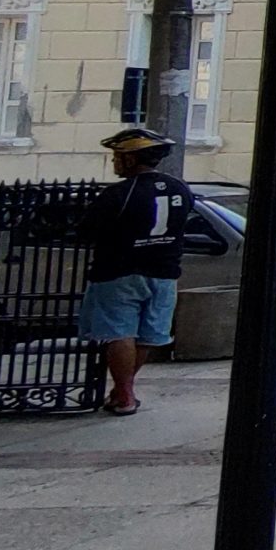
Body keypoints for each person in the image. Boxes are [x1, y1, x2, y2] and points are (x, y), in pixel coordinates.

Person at [76, 128, 194, 416]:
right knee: (146, 336)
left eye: (118, 156)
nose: (114, 162)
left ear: (131, 159)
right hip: (164, 272)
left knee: (119, 333)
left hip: (119, 272)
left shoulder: (118, 193)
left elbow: (86, 231)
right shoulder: (179, 189)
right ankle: (123, 391)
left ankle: (124, 394)